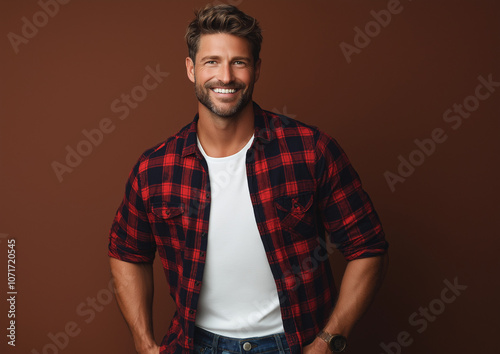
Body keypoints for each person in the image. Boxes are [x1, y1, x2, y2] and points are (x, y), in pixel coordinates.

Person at [108, 4, 389, 354]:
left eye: (238, 62)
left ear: (256, 69)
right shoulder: (155, 169)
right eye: (212, 62)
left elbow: (367, 246)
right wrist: (143, 342)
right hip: (196, 345)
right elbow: (127, 251)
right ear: (190, 68)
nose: (225, 76)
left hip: (295, 344)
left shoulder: (310, 150)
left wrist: (328, 342)